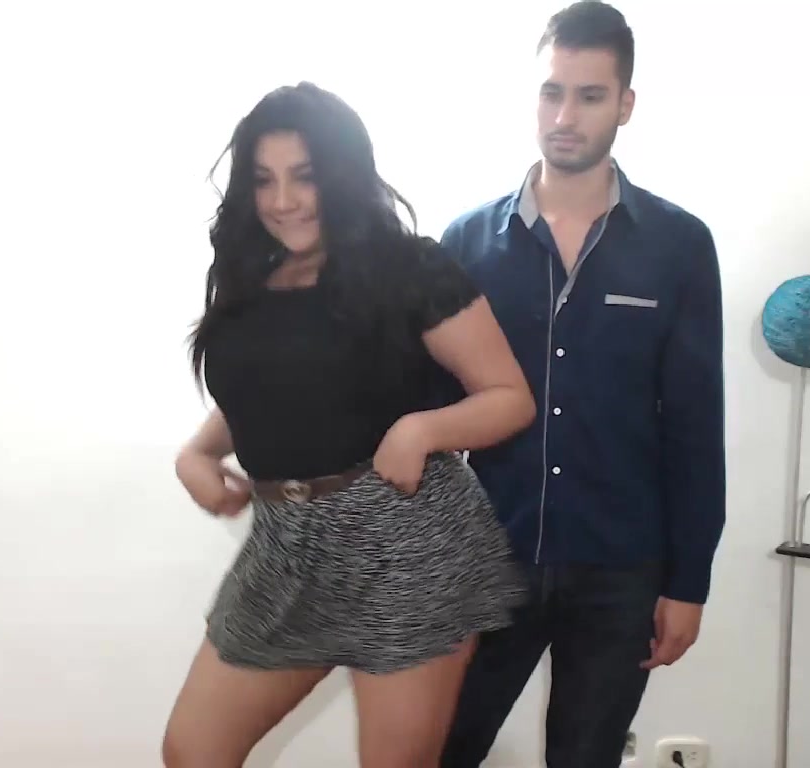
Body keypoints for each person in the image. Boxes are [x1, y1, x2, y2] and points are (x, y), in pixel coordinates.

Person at [160, 81, 536, 768]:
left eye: (304, 176)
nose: (282, 200)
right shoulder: (253, 277)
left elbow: (509, 396)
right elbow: (270, 390)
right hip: (284, 546)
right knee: (193, 750)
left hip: (405, 541)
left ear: (342, 173)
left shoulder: (409, 269)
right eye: (263, 180)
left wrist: (421, 430)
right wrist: (197, 453)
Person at [436, 2, 727, 766]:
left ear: (625, 104)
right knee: (439, 750)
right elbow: (431, 410)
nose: (565, 116)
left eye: (590, 96)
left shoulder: (679, 246)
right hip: (486, 560)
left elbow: (695, 427)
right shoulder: (467, 243)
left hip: (621, 568)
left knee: (586, 757)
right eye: (551, 92)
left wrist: (689, 583)